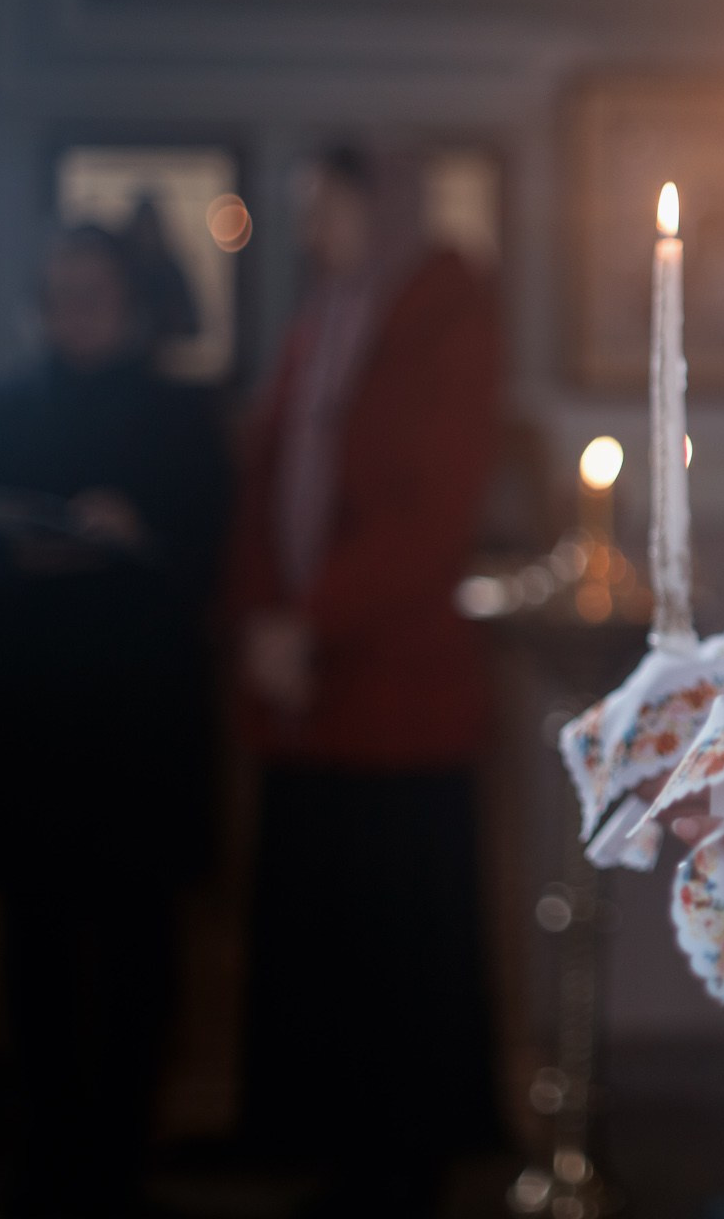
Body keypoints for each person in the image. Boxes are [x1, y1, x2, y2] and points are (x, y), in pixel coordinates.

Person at [225, 146, 504, 1217]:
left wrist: (313, 618)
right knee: (321, 938)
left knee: (402, 941)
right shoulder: (324, 315)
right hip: (307, 688)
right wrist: (262, 620)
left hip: (394, 689)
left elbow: (430, 509)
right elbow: (270, 473)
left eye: (323, 208)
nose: (308, 231)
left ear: (374, 203)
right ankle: (328, 1148)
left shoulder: (442, 307)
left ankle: (401, 1167)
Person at [0, 224, 230, 1218]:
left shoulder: (179, 413)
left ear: (128, 302)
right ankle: (51, 1155)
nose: (76, 314)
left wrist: (136, 534)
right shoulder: (1, 402)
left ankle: (120, 1158)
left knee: (140, 947)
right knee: (39, 951)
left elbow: (210, 557)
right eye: (59, 295)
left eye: (92, 295)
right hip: (31, 720)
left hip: (137, 722)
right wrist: (24, 552)